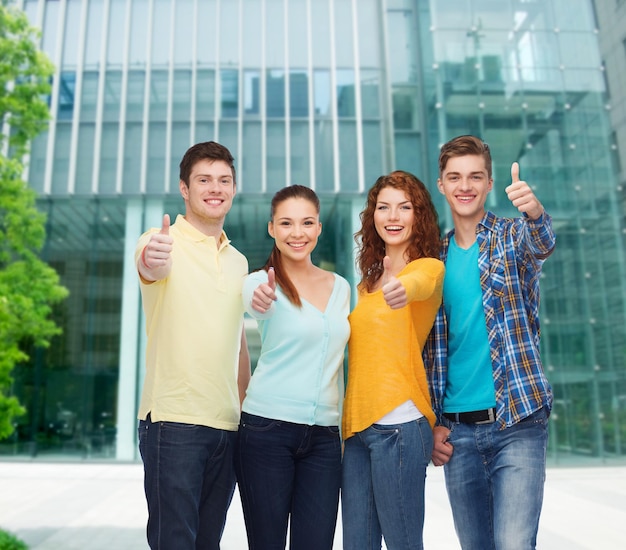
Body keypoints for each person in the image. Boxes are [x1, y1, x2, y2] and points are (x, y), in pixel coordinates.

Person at [425, 135, 556, 549]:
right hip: (457, 433)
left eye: (475, 177)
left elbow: (541, 243)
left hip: (517, 422)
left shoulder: (511, 237)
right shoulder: (432, 260)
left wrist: (534, 212)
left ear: (489, 182)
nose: (465, 186)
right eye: (455, 177)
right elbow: (429, 352)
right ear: (442, 185)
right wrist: (434, 425)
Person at [135, 141, 250, 550]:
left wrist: (244, 411)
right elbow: (150, 264)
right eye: (204, 180)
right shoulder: (160, 239)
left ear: (234, 189)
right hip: (174, 422)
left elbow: (238, 346)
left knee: (208, 544)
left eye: (224, 180)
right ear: (185, 189)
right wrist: (155, 258)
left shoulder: (238, 262)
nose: (215, 188)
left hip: (226, 426)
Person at [235, 185, 350, 550]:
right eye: (286, 223)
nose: (296, 233)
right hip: (266, 431)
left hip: (324, 439)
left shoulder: (341, 288)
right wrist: (258, 299)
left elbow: (340, 362)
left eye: (306, 223)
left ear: (318, 228)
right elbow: (235, 317)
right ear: (272, 228)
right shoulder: (258, 284)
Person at [341, 170, 445, 550]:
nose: (393, 216)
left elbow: (417, 285)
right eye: (383, 207)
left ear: (419, 215)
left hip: (400, 428)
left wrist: (400, 286)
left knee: (403, 544)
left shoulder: (428, 268)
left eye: (405, 207)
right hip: (356, 432)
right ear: (373, 217)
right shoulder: (365, 285)